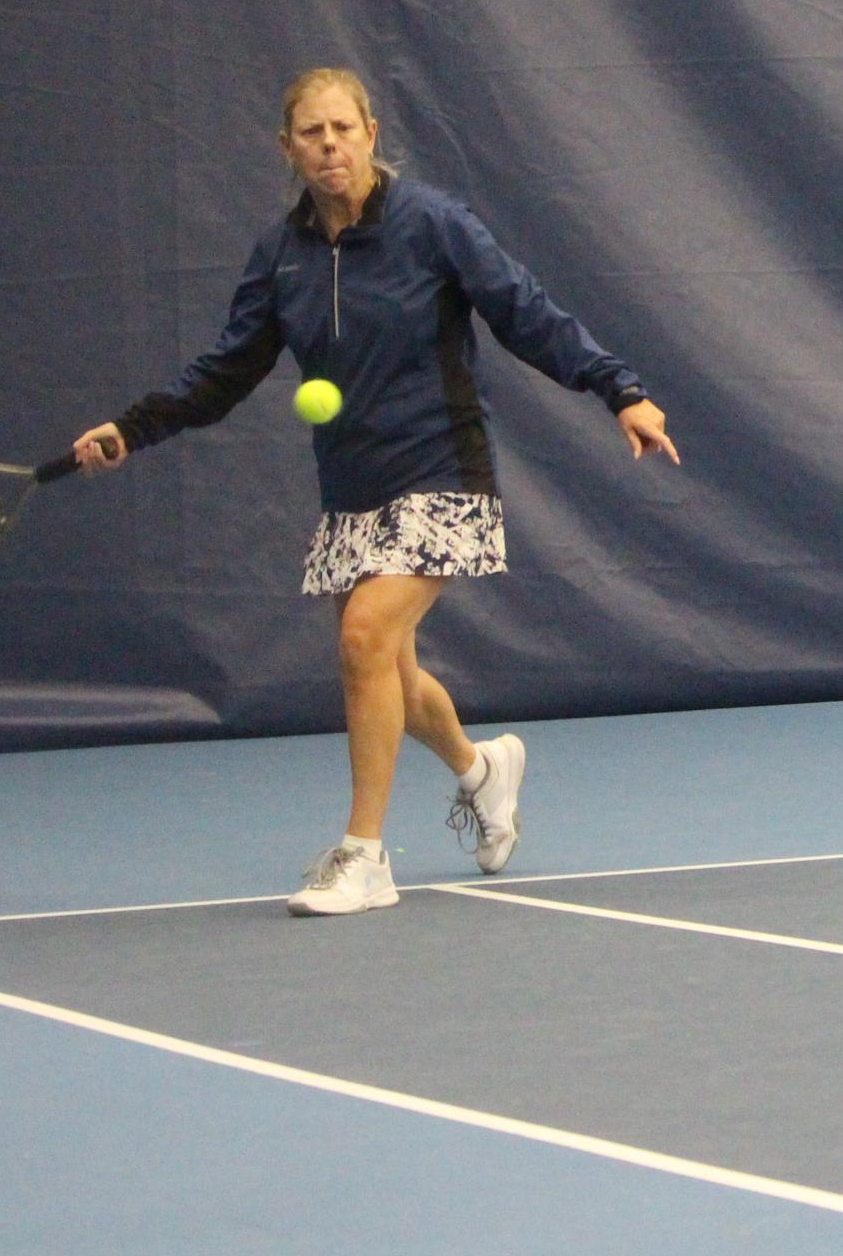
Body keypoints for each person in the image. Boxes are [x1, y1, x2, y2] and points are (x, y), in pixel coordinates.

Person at [73, 68, 677, 917]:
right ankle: (482, 769)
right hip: (353, 489)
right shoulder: (280, 256)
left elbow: (524, 310)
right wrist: (132, 428)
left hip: (442, 471)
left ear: (370, 132)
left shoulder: (432, 225)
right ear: (288, 149)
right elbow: (224, 372)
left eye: (343, 129)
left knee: (361, 636)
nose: (330, 145)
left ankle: (365, 854)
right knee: (390, 665)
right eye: (312, 133)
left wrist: (618, 387)